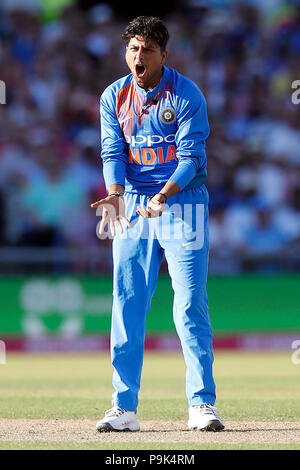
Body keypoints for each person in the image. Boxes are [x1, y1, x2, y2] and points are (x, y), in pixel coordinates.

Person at [91, 16, 224, 432]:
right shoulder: (114, 96)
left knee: (188, 305)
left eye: (147, 50)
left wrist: (163, 196)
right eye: (132, 49)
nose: (138, 56)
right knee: (127, 303)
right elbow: (112, 149)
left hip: (183, 205)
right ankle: (124, 408)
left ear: (164, 55)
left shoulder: (186, 94)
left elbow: (190, 158)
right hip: (132, 205)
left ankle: (201, 405)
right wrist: (115, 193)